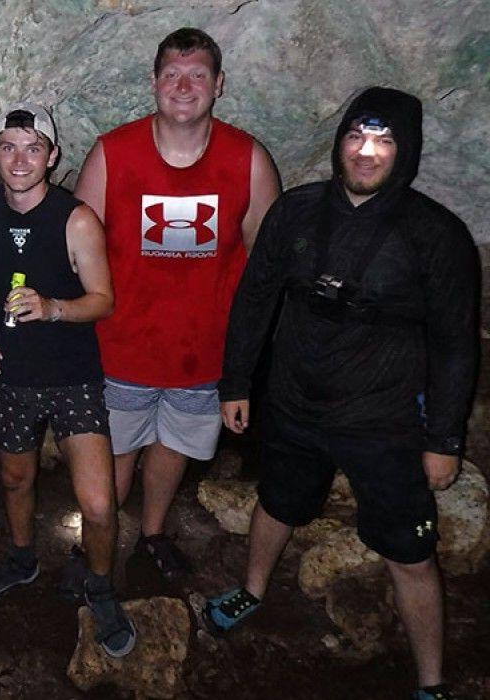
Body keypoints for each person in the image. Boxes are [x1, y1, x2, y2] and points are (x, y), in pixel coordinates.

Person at [205, 87, 478, 700]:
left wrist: (444, 438)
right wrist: (236, 382)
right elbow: (255, 298)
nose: (366, 151)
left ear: (404, 153)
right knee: (276, 502)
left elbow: (457, 344)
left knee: (409, 552)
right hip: (295, 404)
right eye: (357, 136)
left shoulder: (435, 235)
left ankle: (431, 681)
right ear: (339, 142)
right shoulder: (297, 211)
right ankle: (251, 590)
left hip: (383, 420)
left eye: (383, 141)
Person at [72, 27, 281, 578]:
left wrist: (249, 358)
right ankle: (95, 543)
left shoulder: (248, 159)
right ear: (154, 83)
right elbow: (75, 245)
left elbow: (268, 262)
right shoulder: (113, 153)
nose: (184, 86)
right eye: (172, 74)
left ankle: (153, 533)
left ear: (219, 84)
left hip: (203, 352)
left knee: (173, 448)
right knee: (113, 457)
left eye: (197, 75)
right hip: (121, 345)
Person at [0, 105, 134, 657]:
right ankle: (21, 558)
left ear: (52, 157)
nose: (19, 158)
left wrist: (53, 307)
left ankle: (100, 585)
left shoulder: (76, 219)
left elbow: (103, 300)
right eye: (9, 146)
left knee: (99, 504)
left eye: (33, 148)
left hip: (72, 377)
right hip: (12, 376)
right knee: (15, 479)